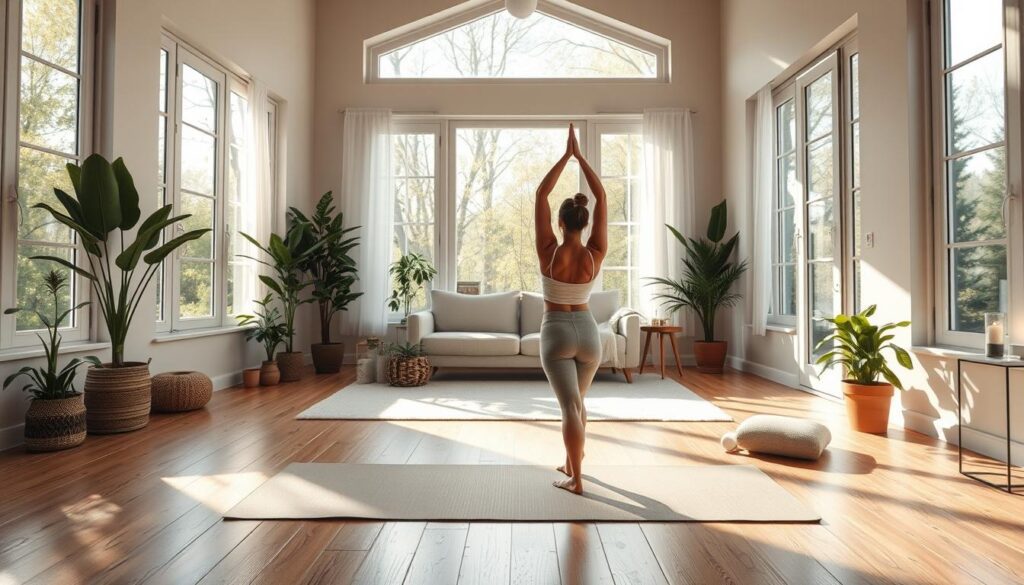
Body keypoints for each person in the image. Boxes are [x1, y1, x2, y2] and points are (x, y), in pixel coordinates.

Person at [535, 123, 607, 495]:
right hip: (590, 333)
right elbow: (602, 195)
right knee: (579, 404)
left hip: (557, 331)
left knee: (568, 408)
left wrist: (565, 157)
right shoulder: (595, 254)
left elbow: (541, 193)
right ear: (587, 221)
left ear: (560, 222)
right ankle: (570, 462)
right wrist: (582, 158)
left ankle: (576, 480)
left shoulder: (549, 251)